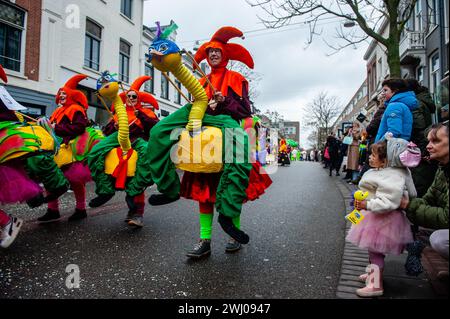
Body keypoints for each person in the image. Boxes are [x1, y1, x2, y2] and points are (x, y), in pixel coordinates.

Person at [145, 26, 272, 256]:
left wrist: (223, 102)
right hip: (202, 131)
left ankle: (232, 229)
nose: (213, 54)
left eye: (217, 51)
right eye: (210, 51)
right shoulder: (200, 79)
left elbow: (244, 109)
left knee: (237, 166)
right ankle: (202, 238)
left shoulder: (236, 78)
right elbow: (195, 105)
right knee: (160, 135)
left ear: (225, 54)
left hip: (225, 126)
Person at [346, 136, 416, 297]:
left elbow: (387, 201)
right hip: (379, 217)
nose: (369, 157)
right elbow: (412, 192)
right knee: (374, 251)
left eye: (373, 155)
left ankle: (375, 284)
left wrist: (367, 205)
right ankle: (373, 275)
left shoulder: (391, 176)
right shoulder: (396, 172)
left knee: (375, 252)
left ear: (385, 160)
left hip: (382, 219)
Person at [87, 75, 159, 227]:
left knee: (145, 157)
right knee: (95, 152)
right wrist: (114, 127)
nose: (131, 98)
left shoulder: (146, 112)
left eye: (134, 96)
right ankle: (105, 190)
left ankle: (137, 211)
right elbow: (106, 131)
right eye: (128, 96)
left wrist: (143, 118)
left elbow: (155, 129)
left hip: (137, 140)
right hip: (117, 140)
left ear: (138, 99)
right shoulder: (117, 113)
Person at [36, 74, 97, 223]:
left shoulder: (76, 109)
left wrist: (57, 127)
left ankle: (81, 209)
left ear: (71, 95)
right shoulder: (58, 110)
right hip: (54, 149)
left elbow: (79, 127)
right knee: (50, 178)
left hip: (70, 149)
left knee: (75, 180)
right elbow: (51, 128)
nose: (61, 95)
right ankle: (52, 210)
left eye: (64, 93)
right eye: (60, 93)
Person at [406, 123, 449, 261]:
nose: (428, 146)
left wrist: (407, 205)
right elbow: (428, 199)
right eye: (429, 141)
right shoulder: (442, 169)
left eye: (436, 141)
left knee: (439, 240)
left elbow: (446, 218)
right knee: (419, 232)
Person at [405, 79, 439, 197]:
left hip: (420, 148)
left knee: (420, 182)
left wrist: (421, 151)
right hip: (423, 147)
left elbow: (419, 129)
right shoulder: (423, 101)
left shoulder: (415, 104)